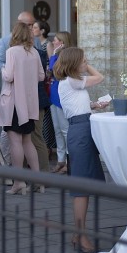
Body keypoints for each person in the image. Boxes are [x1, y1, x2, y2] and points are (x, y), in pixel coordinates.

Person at [53, 47, 109, 253]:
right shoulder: (71, 81)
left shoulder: (70, 83)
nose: (86, 63)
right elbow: (100, 77)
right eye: (83, 60)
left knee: (84, 187)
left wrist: (93, 105)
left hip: (82, 129)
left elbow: (76, 106)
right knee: (81, 189)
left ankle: (79, 233)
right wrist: (88, 66)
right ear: (74, 63)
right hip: (81, 133)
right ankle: (80, 234)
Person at [0, 11, 51, 174]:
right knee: (28, 141)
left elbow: (8, 76)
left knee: (15, 142)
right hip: (29, 102)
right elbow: (41, 76)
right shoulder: (34, 52)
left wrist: (6, 69)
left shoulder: (12, 52)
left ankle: (18, 181)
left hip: (14, 102)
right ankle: (38, 180)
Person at [48, 31, 73, 174]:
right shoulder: (57, 55)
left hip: (62, 98)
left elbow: (53, 70)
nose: (53, 42)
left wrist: (53, 54)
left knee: (65, 130)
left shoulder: (66, 57)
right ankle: (60, 160)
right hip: (53, 96)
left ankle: (69, 163)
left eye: (56, 40)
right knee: (58, 130)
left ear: (62, 42)